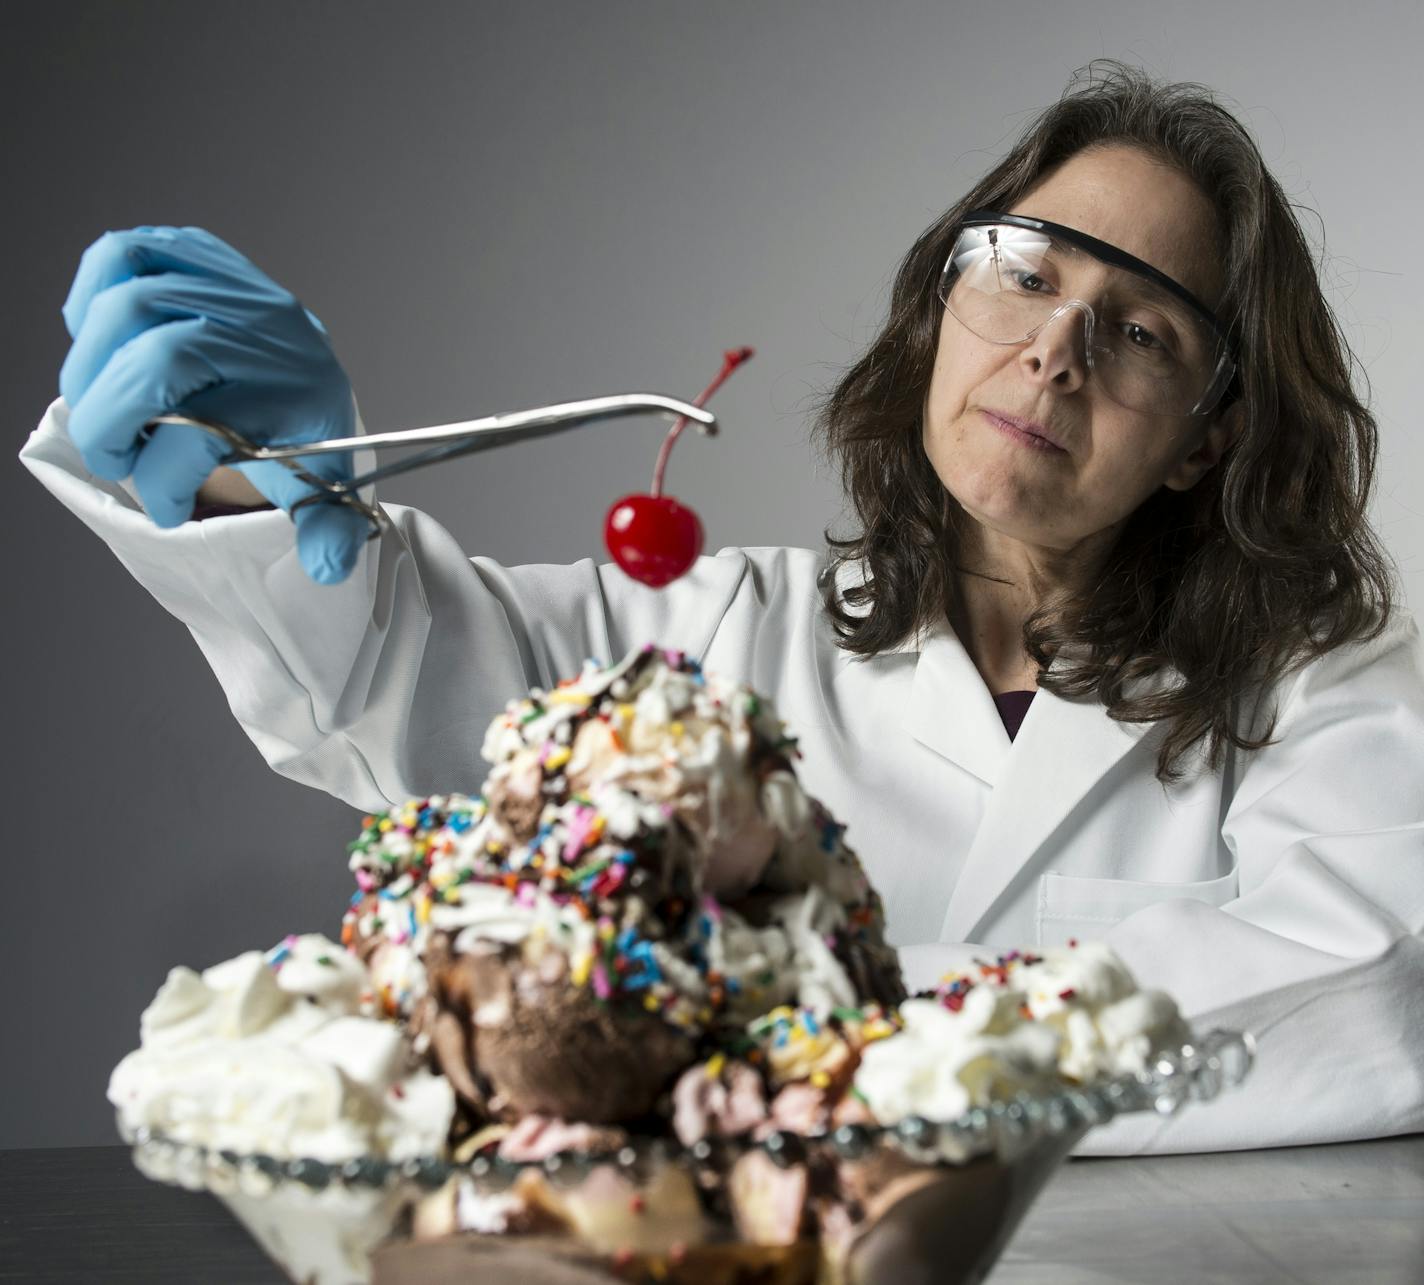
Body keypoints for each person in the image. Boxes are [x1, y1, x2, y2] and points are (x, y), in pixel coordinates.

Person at [21, 61, 1424, 1154]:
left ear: (1206, 438)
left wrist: (765, 1002)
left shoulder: (1321, 679)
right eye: (1026, 270)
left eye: (1140, 328)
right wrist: (262, 477)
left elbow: (1371, 988)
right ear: (944, 306)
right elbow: (402, 672)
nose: (1056, 347)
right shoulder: (713, 628)